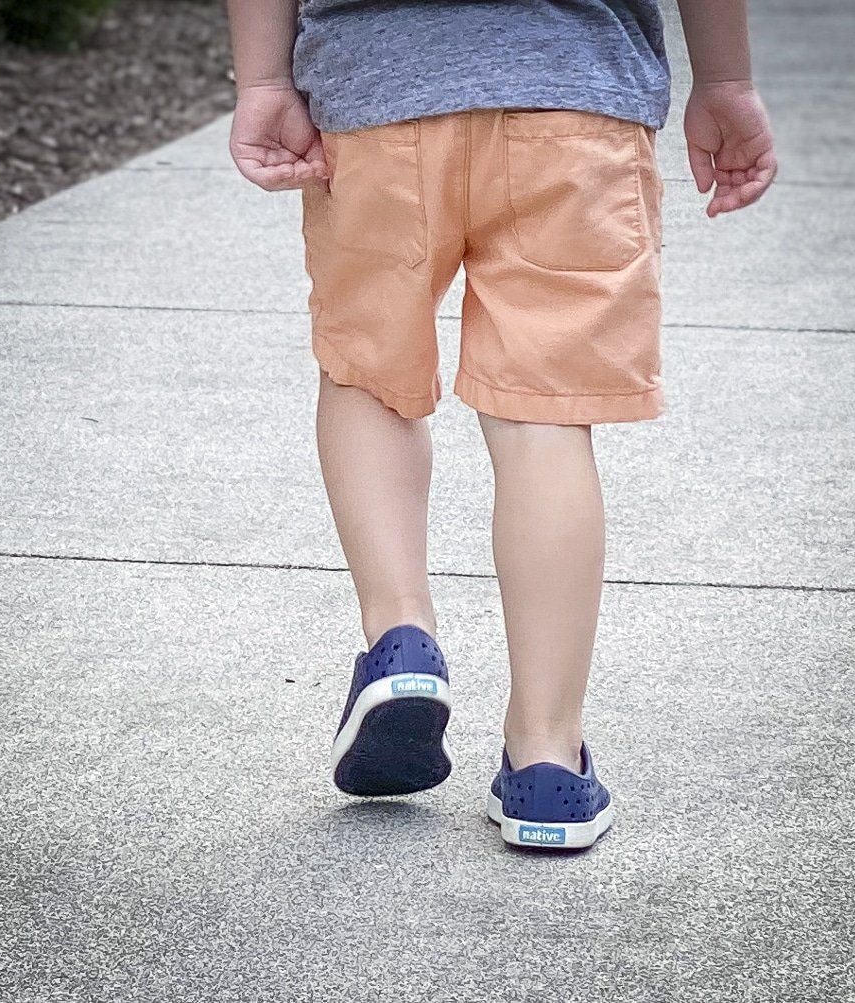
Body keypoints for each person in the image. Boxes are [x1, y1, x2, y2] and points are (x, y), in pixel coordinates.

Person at [225, 0, 777, 849]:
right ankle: (546, 762)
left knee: (368, 372)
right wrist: (727, 78)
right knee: (544, 414)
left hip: (379, 91)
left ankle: (401, 642)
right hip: (574, 91)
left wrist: (264, 77)